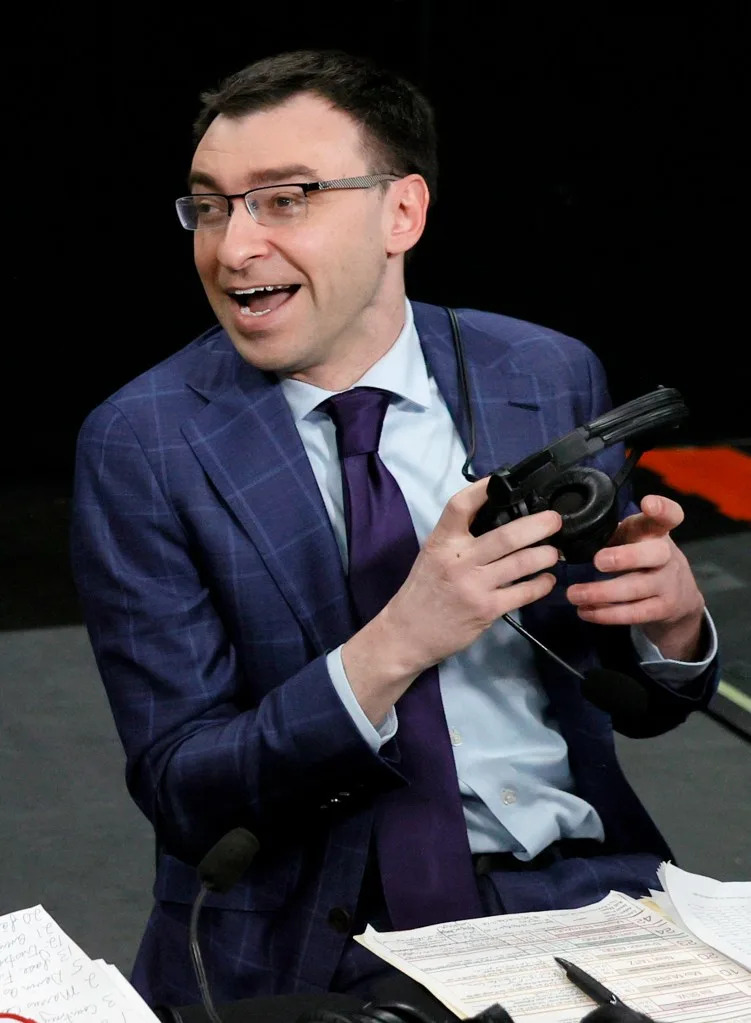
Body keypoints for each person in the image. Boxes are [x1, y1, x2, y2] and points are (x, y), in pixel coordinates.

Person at [70, 48, 718, 1012]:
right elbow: (185, 789)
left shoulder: (541, 376)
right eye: (210, 205)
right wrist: (399, 640)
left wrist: (668, 627)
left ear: (400, 214)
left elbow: (635, 696)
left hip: (584, 892)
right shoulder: (146, 442)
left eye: (284, 198)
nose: (232, 245)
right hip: (324, 931)